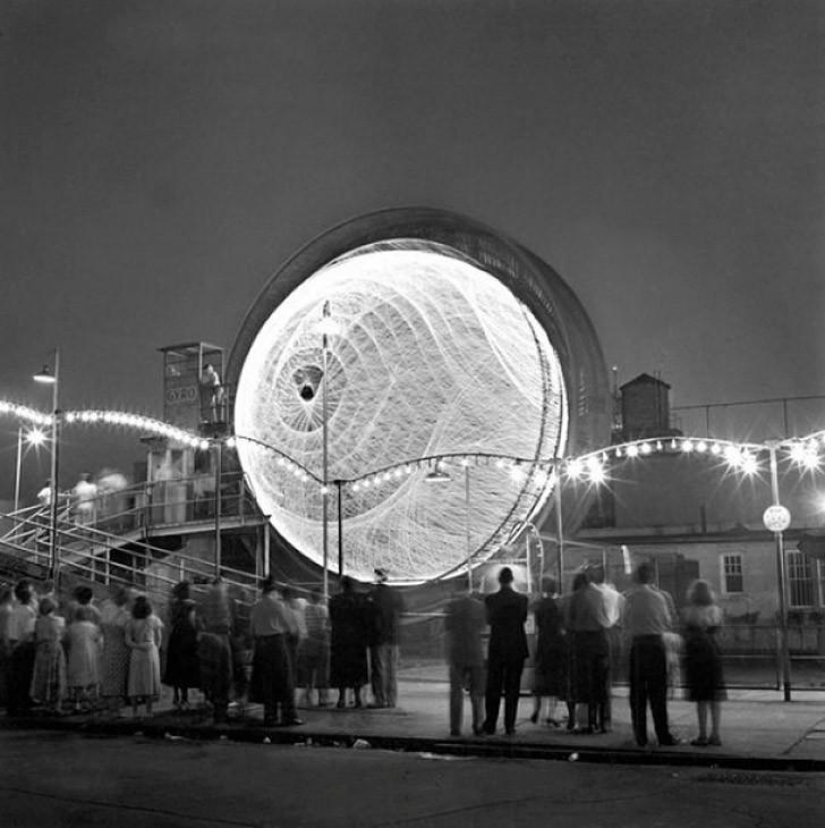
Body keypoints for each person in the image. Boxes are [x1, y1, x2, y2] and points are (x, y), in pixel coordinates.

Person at [621, 562, 681, 748]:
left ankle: (640, 736)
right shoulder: (659, 597)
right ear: (651, 578)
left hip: (637, 646)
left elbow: (623, 622)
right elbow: (667, 622)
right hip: (656, 644)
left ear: (636, 577)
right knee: (658, 693)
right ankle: (663, 734)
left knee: (637, 695)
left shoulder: (627, 598)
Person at [248, 576, 303, 727]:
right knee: (284, 679)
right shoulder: (278, 605)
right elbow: (290, 627)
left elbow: (251, 629)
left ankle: (270, 715)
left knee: (267, 681)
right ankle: (288, 715)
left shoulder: (256, 606)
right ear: (273, 590)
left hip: (261, 645)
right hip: (276, 643)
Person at [482, 567, 529, 736]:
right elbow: (523, 619)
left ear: (499, 581)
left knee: (493, 687)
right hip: (516, 646)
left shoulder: (490, 600)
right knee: (512, 688)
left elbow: (488, 620)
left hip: (497, 646)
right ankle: (509, 725)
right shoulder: (522, 600)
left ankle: (490, 724)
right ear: (512, 580)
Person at [566, 568, 611, 734]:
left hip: (582, 642)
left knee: (585, 684)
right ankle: (603, 722)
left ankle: (586, 723)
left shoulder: (576, 597)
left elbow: (570, 622)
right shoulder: (599, 595)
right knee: (600, 683)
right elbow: (605, 617)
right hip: (599, 641)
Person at [682, 579, 726, 747]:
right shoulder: (716, 611)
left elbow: (685, 633)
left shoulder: (689, 612)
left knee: (701, 697)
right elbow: (721, 634)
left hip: (696, 655)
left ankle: (702, 734)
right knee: (715, 696)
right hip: (713, 654)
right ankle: (716, 734)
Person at [444, 584, 486, 737]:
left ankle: (455, 727)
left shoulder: (450, 606)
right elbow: (482, 627)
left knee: (456, 692)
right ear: (469, 590)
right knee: (477, 692)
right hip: (475, 652)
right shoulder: (480, 606)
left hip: (457, 652)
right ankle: (478, 724)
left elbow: (448, 630)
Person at [530, 577, 570, 729]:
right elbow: (564, 624)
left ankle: (536, 709)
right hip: (557, 642)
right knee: (555, 679)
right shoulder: (559, 605)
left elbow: (532, 613)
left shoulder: (539, 605)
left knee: (540, 677)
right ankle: (551, 714)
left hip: (543, 642)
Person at [196, 578, 235, 723]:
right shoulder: (227, 600)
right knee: (224, 673)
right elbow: (232, 618)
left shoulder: (204, 599)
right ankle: (221, 709)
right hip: (222, 635)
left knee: (211, 673)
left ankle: (211, 702)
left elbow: (199, 618)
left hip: (208, 636)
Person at [329, 577, 369, 709]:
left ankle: (341, 699)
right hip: (357, 639)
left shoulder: (334, 600)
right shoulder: (361, 599)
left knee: (341, 669)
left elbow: (332, 618)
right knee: (357, 669)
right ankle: (357, 699)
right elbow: (365, 619)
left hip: (340, 639)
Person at [367, 567, 405, 708]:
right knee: (392, 670)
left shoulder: (373, 595)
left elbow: (369, 616)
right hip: (393, 636)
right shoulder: (396, 594)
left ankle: (380, 699)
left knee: (379, 669)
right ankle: (391, 699)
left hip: (378, 637)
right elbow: (401, 612)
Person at [162, 581, 200, 712]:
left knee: (176, 665)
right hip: (188, 634)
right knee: (186, 665)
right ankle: (185, 697)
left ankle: (176, 695)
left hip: (176, 635)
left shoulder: (173, 604)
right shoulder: (191, 604)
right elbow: (193, 620)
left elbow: (170, 620)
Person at [125, 595, 163, 718]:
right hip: (150, 652)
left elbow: (128, 640)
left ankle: (135, 711)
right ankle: (148, 710)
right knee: (149, 681)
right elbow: (159, 639)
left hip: (136, 653)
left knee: (135, 681)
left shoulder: (131, 621)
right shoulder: (154, 620)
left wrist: (137, 646)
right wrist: (154, 647)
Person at [99, 584, 132, 717]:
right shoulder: (125, 616)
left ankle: (107, 703)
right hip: (121, 647)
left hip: (108, 645)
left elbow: (101, 626)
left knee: (108, 674)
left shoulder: (106, 609)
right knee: (119, 676)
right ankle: (115, 708)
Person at [29, 596, 66, 714]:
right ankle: (56, 705)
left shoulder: (38, 621)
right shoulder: (58, 621)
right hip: (54, 648)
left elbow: (35, 636)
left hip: (41, 649)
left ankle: (44, 702)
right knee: (56, 675)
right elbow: (62, 635)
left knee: (43, 675)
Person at [7, 580, 38, 716]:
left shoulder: (14, 611)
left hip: (15, 643)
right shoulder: (29, 611)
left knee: (16, 676)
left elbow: (12, 631)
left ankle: (14, 704)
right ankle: (23, 703)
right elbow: (29, 632)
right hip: (25, 645)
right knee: (25, 676)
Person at [66, 601, 103, 713]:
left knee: (77, 679)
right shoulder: (93, 628)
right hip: (90, 654)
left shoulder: (71, 628)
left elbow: (67, 640)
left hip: (75, 655)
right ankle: (89, 702)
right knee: (91, 678)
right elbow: (98, 640)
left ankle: (77, 703)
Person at [297, 589, 330, 708]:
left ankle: (308, 694)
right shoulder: (323, 609)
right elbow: (325, 624)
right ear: (321, 597)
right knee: (322, 671)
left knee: (308, 671)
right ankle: (322, 698)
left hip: (308, 640)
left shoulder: (305, 609)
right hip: (320, 641)